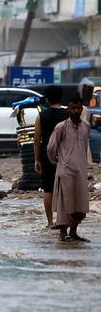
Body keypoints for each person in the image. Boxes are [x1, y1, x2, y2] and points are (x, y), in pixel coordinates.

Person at [47, 97, 90, 242]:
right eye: (73, 108)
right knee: (65, 204)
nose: (76, 111)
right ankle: (62, 234)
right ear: (68, 109)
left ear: (82, 108)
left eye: (79, 108)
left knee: (80, 204)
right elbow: (51, 148)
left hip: (81, 171)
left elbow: (83, 148)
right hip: (66, 171)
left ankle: (73, 232)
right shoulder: (61, 127)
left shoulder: (86, 126)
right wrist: (56, 160)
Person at [33, 86, 67, 229]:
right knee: (65, 189)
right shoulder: (67, 115)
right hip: (65, 156)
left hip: (47, 156)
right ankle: (64, 220)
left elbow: (37, 139)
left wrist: (36, 159)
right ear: (61, 97)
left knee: (48, 189)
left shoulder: (41, 116)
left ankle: (50, 222)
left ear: (47, 99)